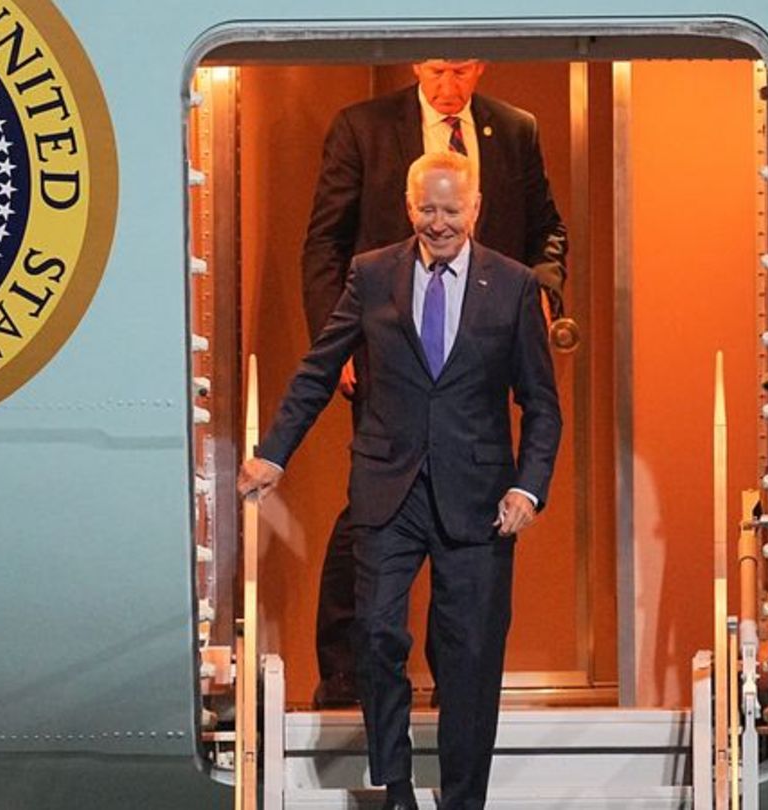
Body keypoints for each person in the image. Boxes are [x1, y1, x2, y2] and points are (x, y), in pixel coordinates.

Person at [241, 152, 561, 810]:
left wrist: (528, 488)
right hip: (388, 490)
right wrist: (275, 453)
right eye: (426, 209)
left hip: (480, 501)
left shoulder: (515, 286)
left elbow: (542, 404)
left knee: (469, 656)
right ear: (409, 206)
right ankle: (395, 785)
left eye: (450, 210)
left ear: (474, 209)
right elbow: (318, 369)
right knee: (378, 635)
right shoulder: (371, 273)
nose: (438, 223)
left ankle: (463, 799)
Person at [302, 60, 568, 708]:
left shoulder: (515, 128)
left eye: (465, 67)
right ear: (420, 66)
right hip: (387, 356)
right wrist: (334, 344)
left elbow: (548, 231)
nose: (452, 80)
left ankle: (461, 681)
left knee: (469, 504)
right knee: (375, 503)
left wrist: (543, 292)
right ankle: (347, 671)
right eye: (440, 67)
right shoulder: (363, 127)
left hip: (478, 352)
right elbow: (324, 245)